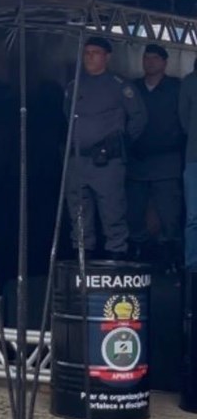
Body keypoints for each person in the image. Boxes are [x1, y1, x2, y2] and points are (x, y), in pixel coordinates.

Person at [64, 36, 146, 259]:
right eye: (87, 53)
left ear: (107, 57)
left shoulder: (120, 86)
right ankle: (83, 258)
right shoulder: (74, 86)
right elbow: (67, 117)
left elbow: (138, 119)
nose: (90, 57)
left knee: (112, 212)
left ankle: (116, 256)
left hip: (108, 162)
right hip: (78, 160)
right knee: (79, 213)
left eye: (95, 53)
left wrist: (121, 143)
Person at [127, 44, 184, 267]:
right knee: (134, 210)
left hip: (166, 159)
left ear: (164, 62)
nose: (149, 62)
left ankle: (170, 255)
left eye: (154, 59)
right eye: (146, 58)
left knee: (169, 210)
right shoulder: (133, 88)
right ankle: (138, 250)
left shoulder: (175, 88)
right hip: (137, 160)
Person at [178, 59, 197, 271]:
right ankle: (193, 269)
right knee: (194, 217)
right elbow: (184, 122)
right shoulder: (190, 82)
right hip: (194, 158)